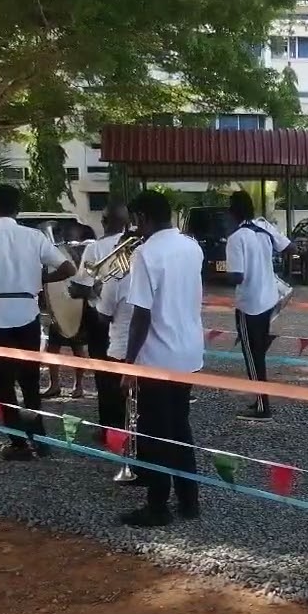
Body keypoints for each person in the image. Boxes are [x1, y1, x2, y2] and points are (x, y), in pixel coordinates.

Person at [0, 185, 76, 460]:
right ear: (18, 208)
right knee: (30, 380)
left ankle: (18, 443)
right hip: (27, 311)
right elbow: (68, 268)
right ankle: (40, 440)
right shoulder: (34, 236)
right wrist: (39, 280)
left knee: (4, 382)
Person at [117, 190, 205, 526]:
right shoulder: (192, 246)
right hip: (188, 352)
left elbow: (141, 315)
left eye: (135, 220)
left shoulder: (146, 252)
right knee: (179, 426)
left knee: (154, 433)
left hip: (158, 356)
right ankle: (189, 500)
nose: (134, 227)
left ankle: (157, 506)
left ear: (142, 217)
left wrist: (128, 363)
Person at [225, 190, 291, 422]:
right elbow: (289, 248)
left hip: (249, 305)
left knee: (252, 356)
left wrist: (223, 272)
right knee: (259, 353)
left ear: (232, 213)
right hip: (268, 301)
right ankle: (261, 400)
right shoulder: (263, 228)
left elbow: (237, 276)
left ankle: (263, 407)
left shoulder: (236, 238)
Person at [74, 203, 133, 431]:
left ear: (103, 222)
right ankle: (131, 426)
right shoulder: (137, 246)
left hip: (101, 319)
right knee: (130, 372)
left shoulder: (94, 248)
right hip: (133, 318)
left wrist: (78, 291)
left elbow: (81, 286)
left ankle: (109, 428)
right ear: (127, 223)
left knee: (104, 376)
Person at [42, 224, 95, 399]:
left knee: (77, 347)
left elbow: (83, 278)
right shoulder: (57, 253)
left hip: (76, 305)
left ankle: (78, 385)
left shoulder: (81, 251)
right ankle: (54, 384)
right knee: (52, 348)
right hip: (59, 306)